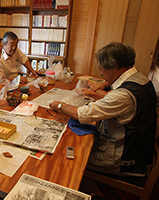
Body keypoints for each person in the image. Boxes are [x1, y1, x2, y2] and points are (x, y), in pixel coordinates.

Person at [50, 42, 156, 182]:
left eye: (102, 69)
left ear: (114, 66)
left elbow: (83, 114)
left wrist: (59, 105)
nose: (100, 73)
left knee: (61, 154)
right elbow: (113, 97)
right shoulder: (141, 79)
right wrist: (103, 85)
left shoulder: (124, 95)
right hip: (139, 151)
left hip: (124, 160)